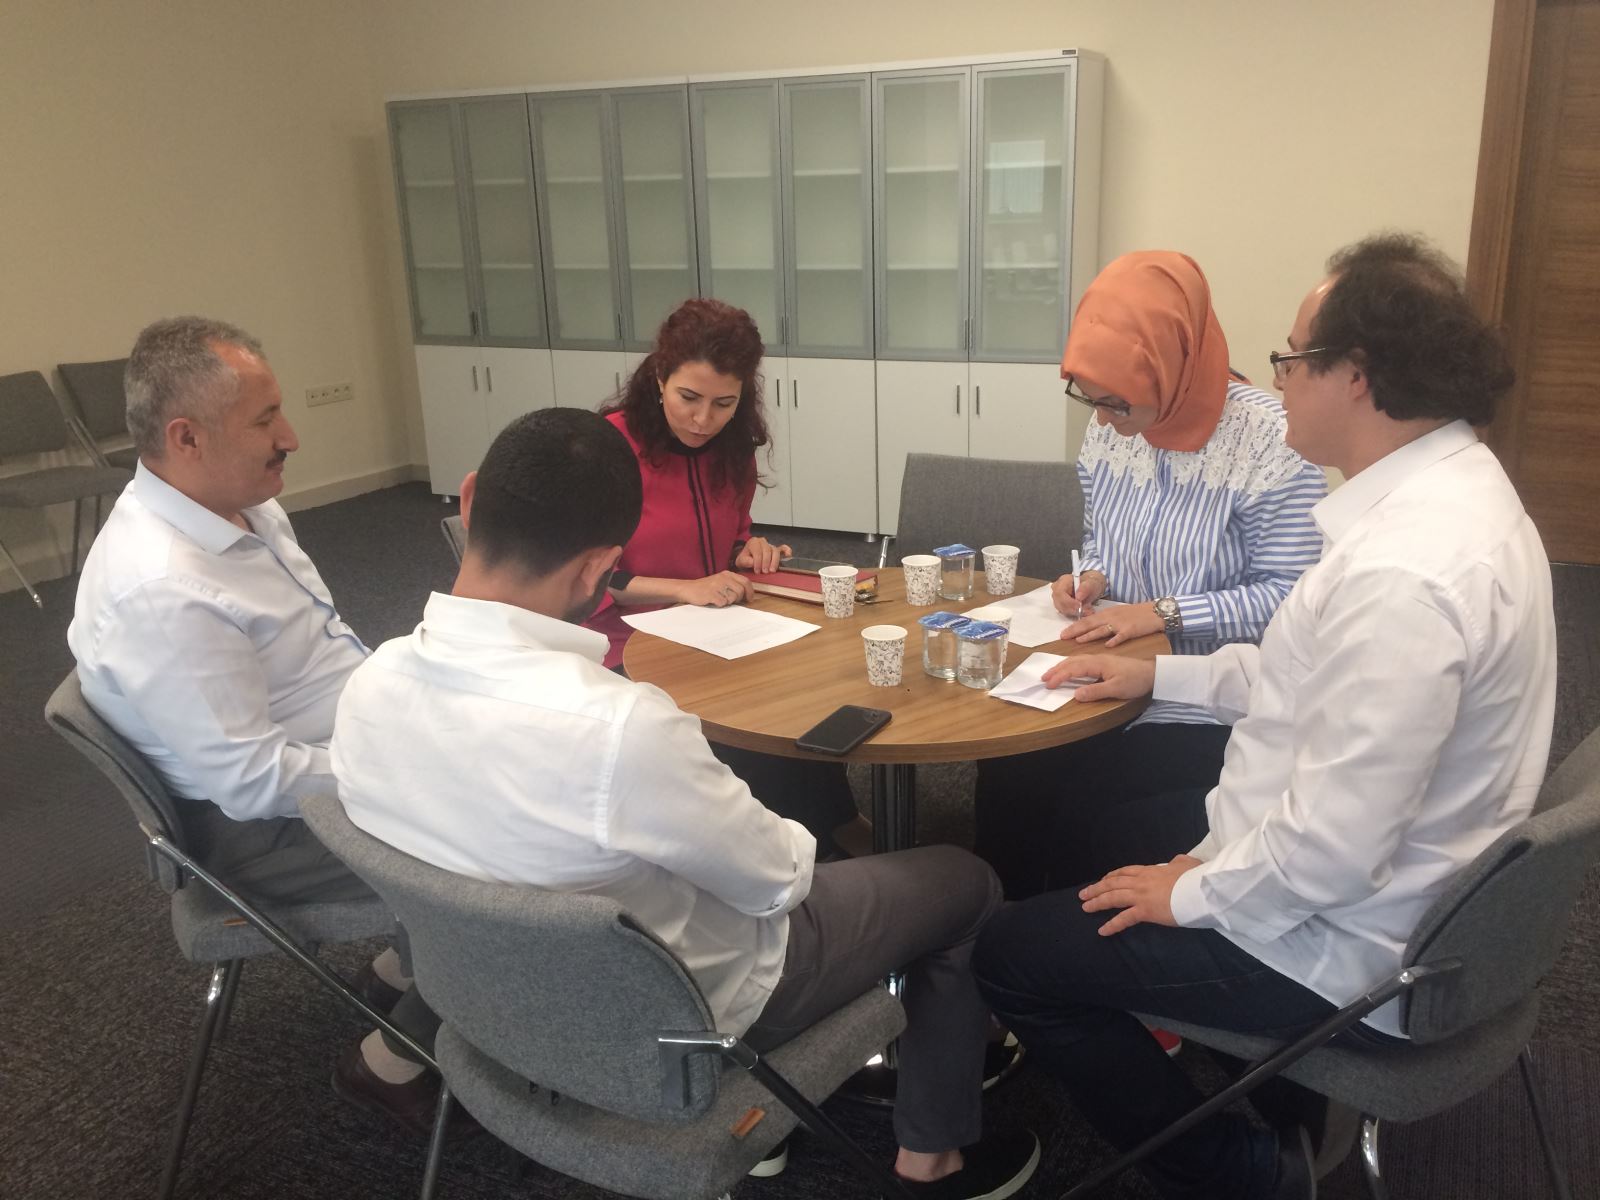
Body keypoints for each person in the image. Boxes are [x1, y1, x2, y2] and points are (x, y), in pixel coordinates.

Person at [972, 233, 1557, 1200]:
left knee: (1011, 956)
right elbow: (1296, 674)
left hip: (1340, 945)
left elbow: (1329, 856)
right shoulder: (1453, 497)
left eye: (1291, 358)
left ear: (1355, 375)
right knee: (1103, 832)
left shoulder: (1403, 576)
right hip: (1395, 889)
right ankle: (1266, 1090)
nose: (1274, 379)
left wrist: (1192, 892)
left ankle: (1243, 1172)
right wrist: (1154, 677)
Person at [331, 407, 1040, 1199]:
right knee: (962, 879)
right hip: (690, 1015)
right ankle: (931, 1161)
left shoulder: (367, 689)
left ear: (468, 502)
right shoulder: (617, 728)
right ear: (602, 567)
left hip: (493, 1006)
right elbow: (778, 882)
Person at [67, 316, 444, 1136]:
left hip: (323, 760)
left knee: (504, 759)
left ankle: (406, 970)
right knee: (513, 839)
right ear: (186, 437)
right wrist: (408, 769)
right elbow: (250, 781)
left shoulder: (238, 507)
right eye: (266, 419)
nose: (292, 437)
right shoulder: (164, 589)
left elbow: (323, 652)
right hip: (257, 833)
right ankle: (391, 1063)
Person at [974, 251, 1327, 899]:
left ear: (1175, 368)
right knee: (1008, 761)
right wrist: (1090, 578)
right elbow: (1102, 539)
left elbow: (1291, 597)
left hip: (1208, 698)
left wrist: (1165, 612)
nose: (1104, 421)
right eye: (1089, 398)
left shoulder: (1273, 441)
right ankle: (991, 917)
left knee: (1092, 803)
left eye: (1118, 403)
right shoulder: (1109, 427)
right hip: (1110, 664)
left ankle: (1052, 932)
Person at [587, 297, 865, 857]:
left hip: (712, 626)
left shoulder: (732, 447)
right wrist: (683, 589)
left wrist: (746, 550)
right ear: (659, 377)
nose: (702, 420)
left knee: (797, 689)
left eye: (723, 403)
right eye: (688, 398)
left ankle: (829, 826)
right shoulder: (606, 448)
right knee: (744, 726)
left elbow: (730, 535)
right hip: (624, 641)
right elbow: (586, 574)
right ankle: (785, 848)